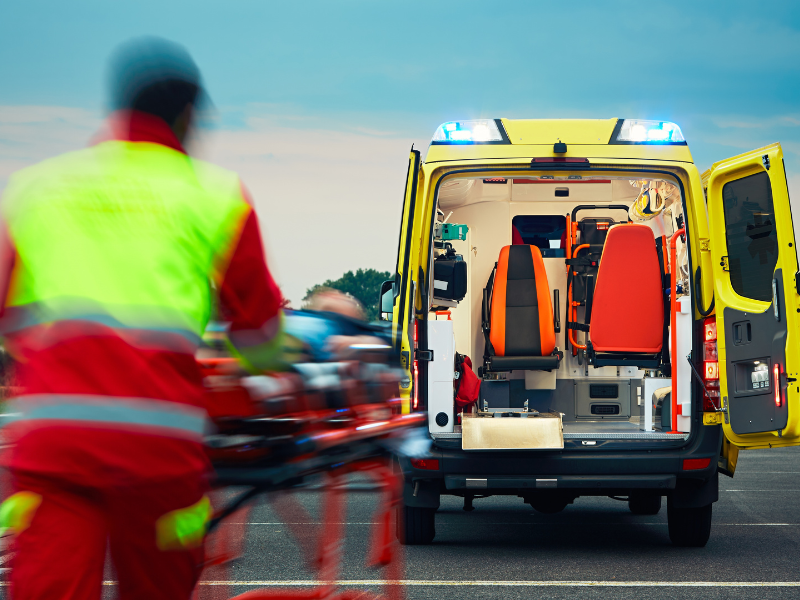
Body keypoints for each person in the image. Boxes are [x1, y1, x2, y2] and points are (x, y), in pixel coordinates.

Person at [0, 37, 284, 599]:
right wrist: (275, 368)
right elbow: (259, 333)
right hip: (157, 449)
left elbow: (10, 317)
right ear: (186, 116)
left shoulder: (37, 189)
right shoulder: (215, 196)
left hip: (54, 442)